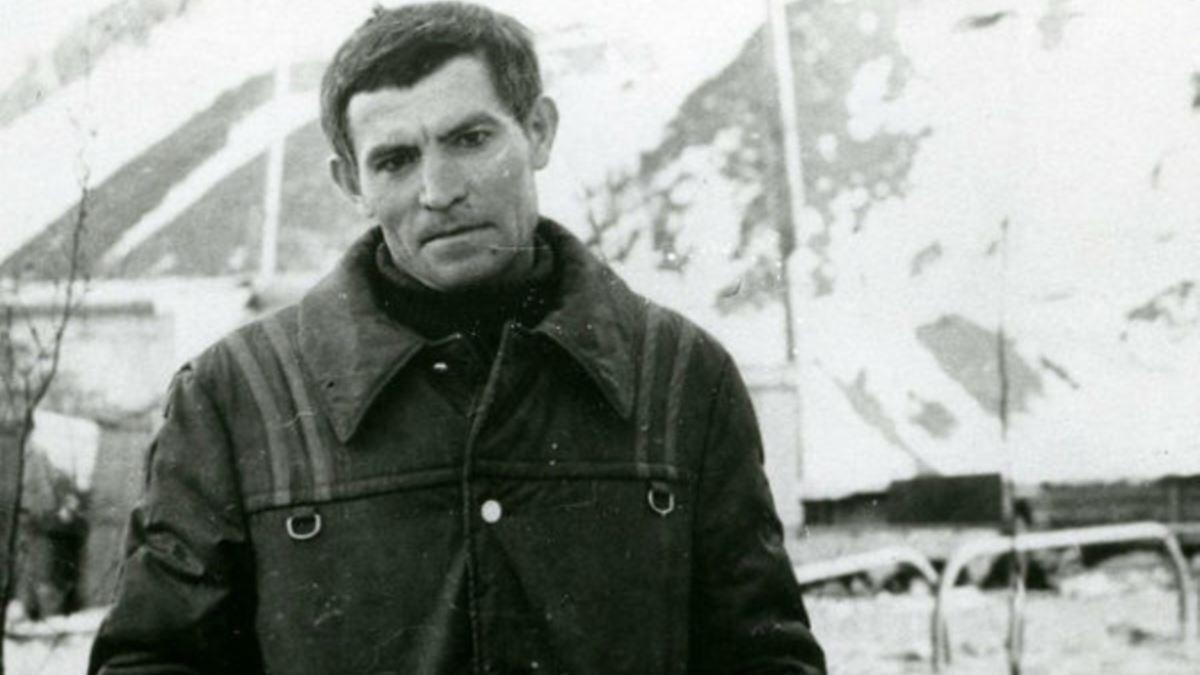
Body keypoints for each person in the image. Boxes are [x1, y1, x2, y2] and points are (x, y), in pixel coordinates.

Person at [88, 3, 826, 673]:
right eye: (395, 160)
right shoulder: (236, 397)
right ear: (350, 182)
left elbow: (765, 658)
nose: (439, 190)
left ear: (538, 130)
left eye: (470, 139)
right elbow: (153, 661)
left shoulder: (682, 377)